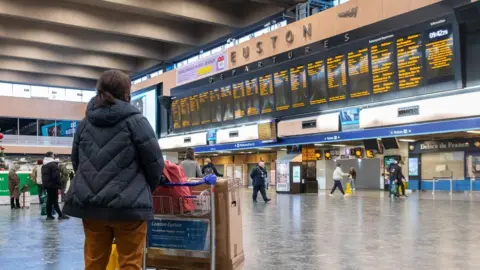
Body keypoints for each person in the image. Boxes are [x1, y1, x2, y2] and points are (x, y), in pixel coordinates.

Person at [62, 70, 165, 270]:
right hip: (129, 210)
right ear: (126, 94)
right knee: (130, 264)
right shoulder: (137, 122)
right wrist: (141, 190)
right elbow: (155, 163)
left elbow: (77, 161)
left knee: (94, 263)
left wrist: (92, 187)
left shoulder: (85, 124)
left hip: (92, 208)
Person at [42, 151, 68, 220]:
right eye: (53, 155)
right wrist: (59, 185)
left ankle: (49, 215)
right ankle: (60, 215)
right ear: (51, 156)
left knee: (49, 200)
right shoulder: (53, 165)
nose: (54, 156)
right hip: (53, 185)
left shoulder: (44, 165)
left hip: (47, 185)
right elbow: (56, 176)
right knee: (55, 200)